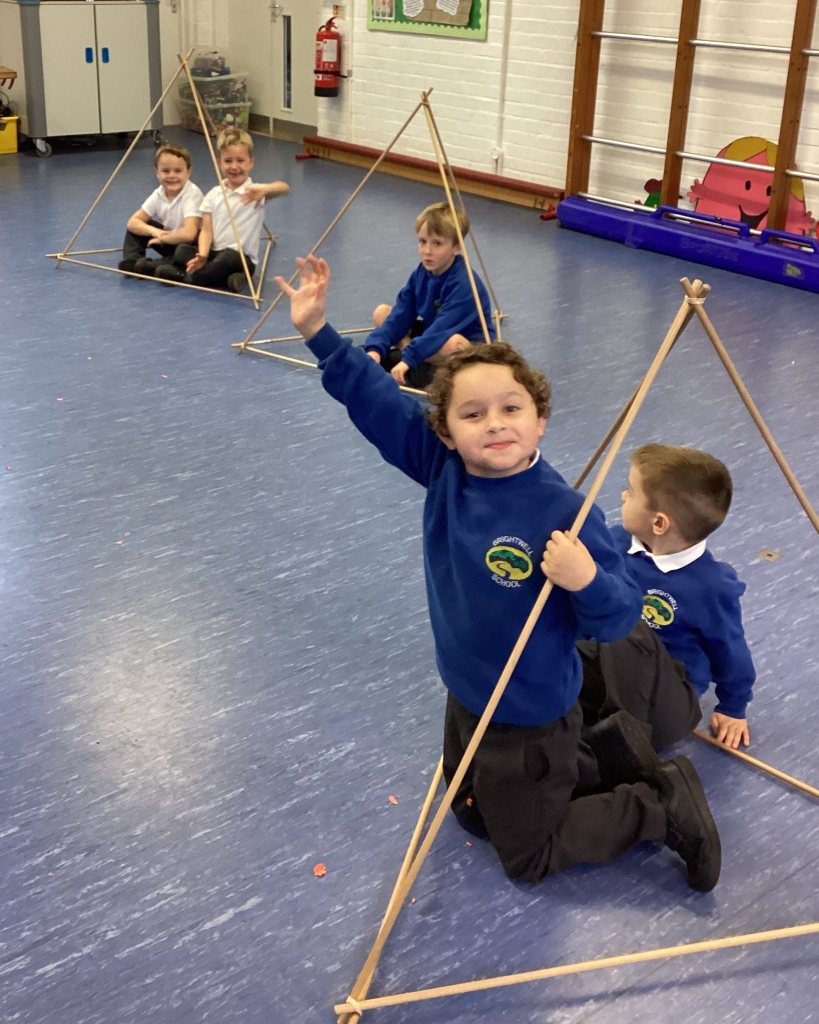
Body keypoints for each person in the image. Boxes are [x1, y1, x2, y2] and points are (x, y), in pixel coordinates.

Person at [275, 255, 722, 893]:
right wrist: (319, 333)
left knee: (528, 856)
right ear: (445, 431)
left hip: (530, 710)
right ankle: (608, 750)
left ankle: (657, 805)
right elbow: (376, 401)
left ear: (540, 419)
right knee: (470, 812)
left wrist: (585, 579)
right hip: (466, 689)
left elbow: (621, 615)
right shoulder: (444, 468)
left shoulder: (565, 513)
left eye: (511, 408)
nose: (494, 424)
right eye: (473, 413)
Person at [578, 444, 755, 754]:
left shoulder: (711, 587)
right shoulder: (617, 541)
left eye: (631, 492)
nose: (623, 496)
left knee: (629, 627)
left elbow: (730, 650)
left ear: (659, 523)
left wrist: (733, 707)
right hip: (610, 666)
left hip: (665, 696)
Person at [364, 202, 495, 390]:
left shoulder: (464, 284)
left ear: (457, 248)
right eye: (422, 241)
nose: (427, 251)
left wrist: (408, 358)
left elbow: (442, 329)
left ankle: (409, 362)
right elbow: (402, 312)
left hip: (466, 345)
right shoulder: (422, 272)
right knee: (382, 313)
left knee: (454, 345)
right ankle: (413, 360)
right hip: (431, 333)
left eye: (437, 244)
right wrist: (375, 349)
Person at [157, 128, 289, 292]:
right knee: (182, 251)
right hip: (215, 254)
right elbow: (206, 231)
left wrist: (265, 190)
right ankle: (231, 279)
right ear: (219, 163)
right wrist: (203, 255)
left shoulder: (255, 191)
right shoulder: (213, 195)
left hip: (241, 259)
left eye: (240, 160)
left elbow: (284, 187)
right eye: (228, 161)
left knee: (228, 257)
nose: (234, 166)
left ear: (251, 162)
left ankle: (184, 277)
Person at [119, 144, 203, 276]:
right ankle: (133, 260)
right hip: (170, 239)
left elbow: (189, 234)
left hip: (191, 245)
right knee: (137, 228)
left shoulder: (192, 194)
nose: (172, 175)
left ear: (188, 172)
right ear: (157, 172)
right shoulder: (159, 193)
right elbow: (133, 222)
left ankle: (163, 266)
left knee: (183, 252)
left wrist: (162, 239)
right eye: (165, 171)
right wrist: (155, 231)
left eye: (178, 171)